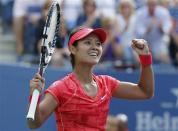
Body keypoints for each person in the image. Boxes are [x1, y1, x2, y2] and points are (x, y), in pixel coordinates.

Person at [27, 27, 154, 131]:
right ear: (73, 49)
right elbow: (34, 124)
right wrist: (34, 96)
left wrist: (145, 58)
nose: (95, 47)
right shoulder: (61, 88)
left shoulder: (106, 83)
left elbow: (145, 92)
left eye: (98, 44)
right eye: (88, 42)